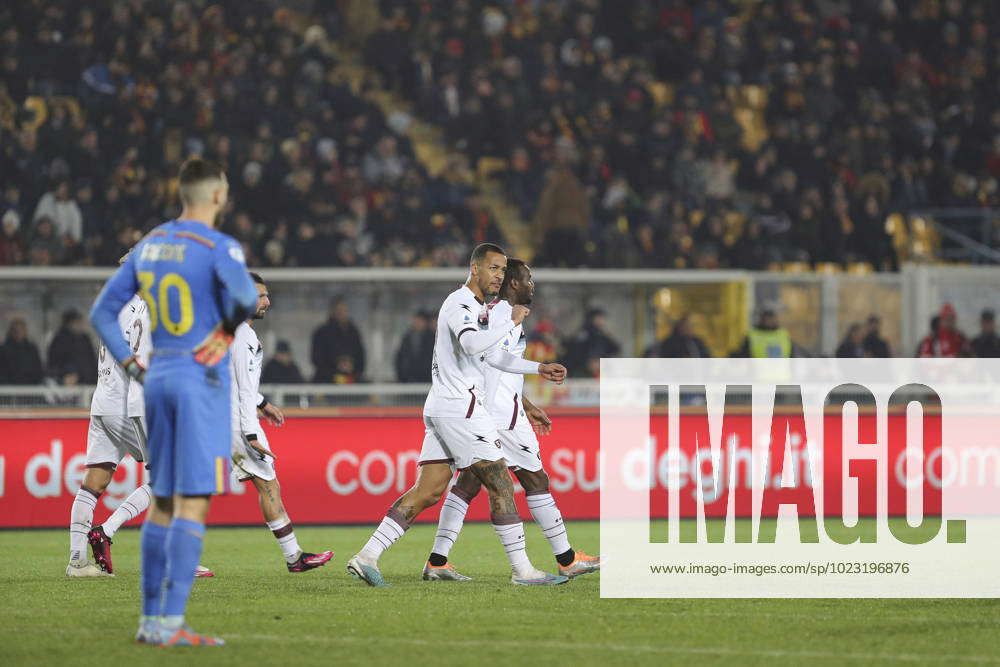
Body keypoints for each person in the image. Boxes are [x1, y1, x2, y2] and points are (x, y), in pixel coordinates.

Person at [90, 158, 257, 647]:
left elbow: (102, 312)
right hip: (196, 379)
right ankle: (171, 624)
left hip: (155, 377)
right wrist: (224, 334)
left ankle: (150, 621)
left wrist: (131, 365)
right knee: (193, 502)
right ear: (218, 195)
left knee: (161, 499)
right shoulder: (218, 245)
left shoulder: (150, 245)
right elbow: (246, 297)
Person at [346, 243, 569, 587]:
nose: (499, 276)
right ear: (475, 268)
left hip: (445, 406)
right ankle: (523, 571)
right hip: (460, 407)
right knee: (500, 481)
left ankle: (366, 556)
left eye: (502, 270)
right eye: (494, 268)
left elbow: (492, 357)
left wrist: (536, 367)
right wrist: (508, 322)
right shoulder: (459, 303)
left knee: (430, 491)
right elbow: (470, 345)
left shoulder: (480, 309)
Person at [424, 259, 600, 580]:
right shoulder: (503, 315)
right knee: (536, 480)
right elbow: (489, 364)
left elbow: (501, 367)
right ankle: (566, 558)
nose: (533, 284)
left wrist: (528, 402)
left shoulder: (500, 314)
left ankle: (437, 561)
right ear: (514, 283)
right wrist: (496, 413)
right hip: (501, 416)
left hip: (499, 410)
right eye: (528, 278)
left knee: (467, 484)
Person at [69, 273, 215, 579]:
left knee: (94, 481)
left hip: (103, 402)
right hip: (130, 403)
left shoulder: (113, 306)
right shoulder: (149, 309)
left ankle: (77, 561)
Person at [230, 273, 333, 572]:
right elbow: (242, 388)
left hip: (228, 416)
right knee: (269, 485)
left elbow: (233, 382)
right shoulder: (241, 335)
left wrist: (263, 404)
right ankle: (294, 557)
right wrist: (251, 433)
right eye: (261, 296)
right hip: (237, 422)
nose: (267, 301)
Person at [311, 298, 366, 382]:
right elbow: (317, 358)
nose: (342, 313)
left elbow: (361, 356)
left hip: (352, 380)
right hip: (327, 381)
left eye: (344, 310)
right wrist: (336, 365)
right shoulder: (322, 332)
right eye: (339, 310)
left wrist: (352, 366)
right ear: (332, 311)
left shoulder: (354, 332)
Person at [564, 308, 621, 377]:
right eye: (600, 318)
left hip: (599, 371)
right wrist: (589, 362)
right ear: (592, 319)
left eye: (603, 318)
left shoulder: (601, 333)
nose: (602, 320)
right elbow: (575, 351)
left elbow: (615, 349)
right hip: (582, 371)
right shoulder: (584, 333)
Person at [47, 309, 98, 385]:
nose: (80, 325)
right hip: (65, 386)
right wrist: (63, 376)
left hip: (88, 383)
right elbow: (54, 364)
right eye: (77, 322)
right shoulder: (59, 340)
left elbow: (92, 361)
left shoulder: (85, 339)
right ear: (69, 323)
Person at [394, 309, 435, 382]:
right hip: (408, 380)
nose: (417, 323)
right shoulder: (407, 338)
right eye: (416, 320)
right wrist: (402, 376)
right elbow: (399, 358)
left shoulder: (432, 339)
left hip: (426, 381)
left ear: (425, 322)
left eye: (420, 320)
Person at [0, 317, 44, 384]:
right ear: (10, 332)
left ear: (25, 331)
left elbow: (38, 370)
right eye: (15, 331)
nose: (18, 333)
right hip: (8, 388)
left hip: (30, 388)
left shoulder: (32, 349)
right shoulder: (3, 350)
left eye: (21, 330)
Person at [644, 316, 711, 358]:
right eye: (686, 326)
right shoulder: (669, 343)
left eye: (691, 326)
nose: (689, 329)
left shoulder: (697, 342)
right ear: (679, 327)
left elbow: (706, 357)